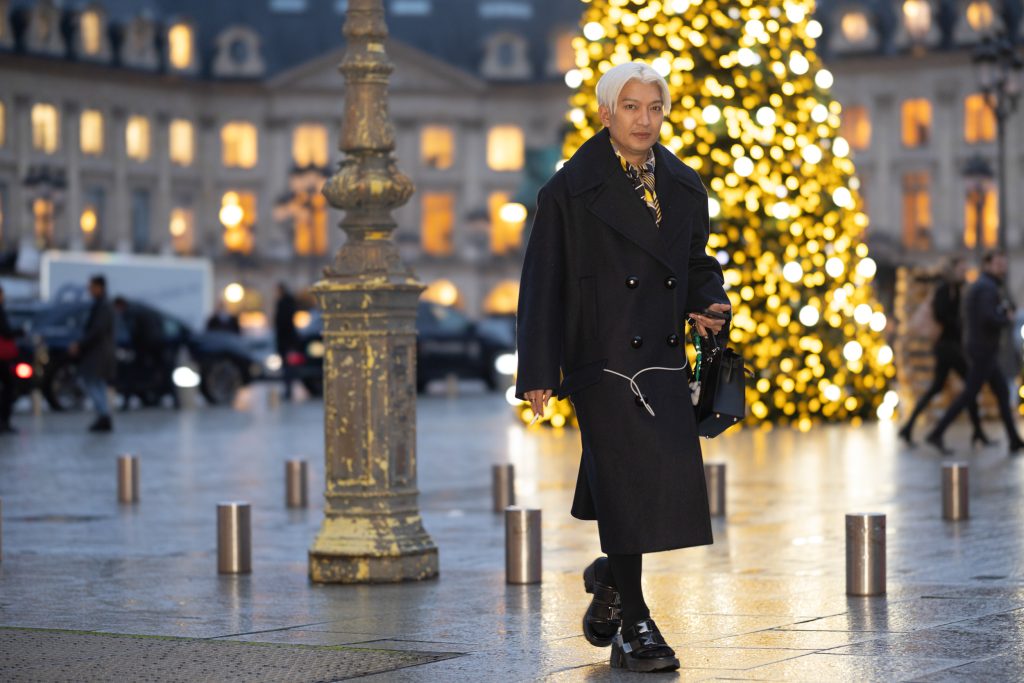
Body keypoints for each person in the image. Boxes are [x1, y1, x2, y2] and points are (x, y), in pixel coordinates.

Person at [515, 62, 731, 674]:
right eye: (631, 107)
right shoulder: (570, 190)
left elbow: (694, 261)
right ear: (607, 113)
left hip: (661, 360)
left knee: (656, 478)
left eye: (654, 107)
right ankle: (634, 622)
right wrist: (538, 369)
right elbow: (542, 283)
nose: (644, 119)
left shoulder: (686, 187)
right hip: (601, 359)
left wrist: (707, 300)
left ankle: (609, 574)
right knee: (628, 480)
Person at [926, 250, 1024, 456]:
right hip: (982, 350)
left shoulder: (987, 286)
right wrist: (1007, 318)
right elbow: (988, 318)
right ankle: (937, 432)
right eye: (998, 265)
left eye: (1003, 264)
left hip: (982, 348)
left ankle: (1013, 439)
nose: (1002, 269)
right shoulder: (986, 288)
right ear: (987, 265)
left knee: (1001, 393)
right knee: (969, 394)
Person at [898, 257, 990, 447]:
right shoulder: (944, 289)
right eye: (962, 267)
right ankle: (943, 433)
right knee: (970, 386)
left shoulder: (955, 288)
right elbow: (942, 315)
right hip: (947, 346)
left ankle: (908, 428)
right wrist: (958, 323)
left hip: (949, 346)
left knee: (941, 388)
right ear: (954, 268)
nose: (965, 271)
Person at [70, 275, 116, 432]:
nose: (89, 290)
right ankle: (104, 415)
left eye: (91, 287)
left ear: (99, 287)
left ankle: (104, 415)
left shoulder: (102, 306)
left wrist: (80, 344)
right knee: (98, 385)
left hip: (97, 354)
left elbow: (97, 330)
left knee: (93, 384)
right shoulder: (102, 304)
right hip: (99, 353)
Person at [113, 297, 172, 409]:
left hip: (145, 346)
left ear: (119, 305)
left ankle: (127, 402)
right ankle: (174, 399)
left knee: (132, 374)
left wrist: (131, 345)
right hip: (158, 344)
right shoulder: (141, 309)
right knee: (163, 372)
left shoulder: (130, 312)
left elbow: (133, 331)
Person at [0, 285, 21, 434]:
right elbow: (6, 332)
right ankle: (4, 421)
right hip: (2, 357)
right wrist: (20, 331)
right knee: (9, 387)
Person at [274, 282, 299, 400]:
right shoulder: (290, 303)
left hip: (285, 340)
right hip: (289, 340)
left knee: (287, 366)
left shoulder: (283, 303)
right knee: (289, 365)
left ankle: (288, 389)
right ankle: (289, 389)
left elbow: (281, 323)